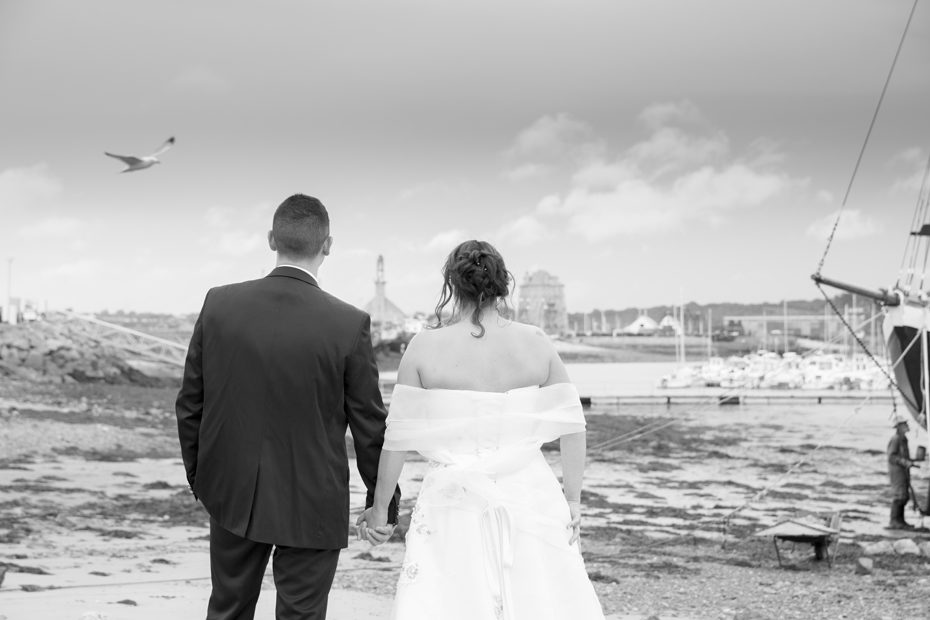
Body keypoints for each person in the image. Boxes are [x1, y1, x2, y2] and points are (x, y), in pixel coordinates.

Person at [175, 194, 400, 619]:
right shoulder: (348, 324)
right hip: (312, 499)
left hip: (231, 491)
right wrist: (382, 503)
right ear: (328, 246)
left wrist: (201, 477)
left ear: (270, 238)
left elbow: (190, 402)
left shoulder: (220, 304)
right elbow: (370, 424)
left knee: (227, 609)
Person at [356, 240, 605, 619]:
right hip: (530, 494)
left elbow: (396, 439)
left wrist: (380, 511)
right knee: (540, 595)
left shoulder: (424, 347)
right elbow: (573, 425)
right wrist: (572, 498)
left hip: (451, 498)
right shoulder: (535, 342)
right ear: (503, 282)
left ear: (453, 285)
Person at [887, 417, 915, 530]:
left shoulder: (904, 439)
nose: (907, 426)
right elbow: (891, 456)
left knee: (905, 495)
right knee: (899, 495)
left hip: (903, 470)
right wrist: (904, 462)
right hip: (897, 471)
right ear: (899, 427)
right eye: (904, 424)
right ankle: (894, 521)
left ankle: (901, 521)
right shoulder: (896, 439)